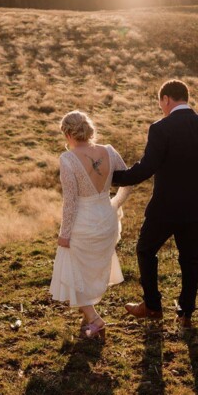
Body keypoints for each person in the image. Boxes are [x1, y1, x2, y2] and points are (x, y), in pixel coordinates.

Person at [111, 80, 198, 329]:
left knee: (145, 250)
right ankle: (186, 314)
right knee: (190, 258)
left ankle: (152, 306)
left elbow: (147, 167)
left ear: (166, 100)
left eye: (160, 103)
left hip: (165, 207)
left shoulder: (160, 128)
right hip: (196, 206)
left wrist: (113, 178)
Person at [50, 111, 132, 339]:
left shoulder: (68, 159)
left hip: (83, 223)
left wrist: (64, 234)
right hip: (106, 219)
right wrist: (114, 205)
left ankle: (95, 319)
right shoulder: (109, 151)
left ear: (67, 133)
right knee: (83, 269)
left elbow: (71, 201)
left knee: (72, 269)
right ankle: (89, 315)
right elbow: (128, 183)